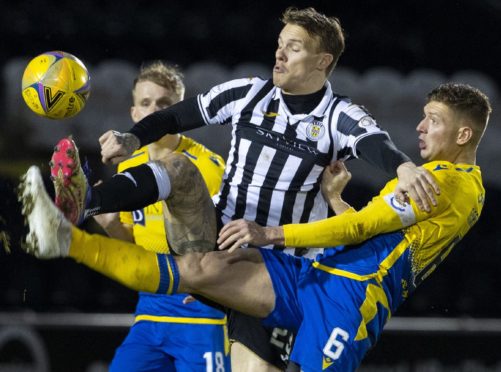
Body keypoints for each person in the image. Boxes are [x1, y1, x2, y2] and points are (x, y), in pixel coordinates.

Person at [44, 7, 440, 371]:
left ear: (323, 62)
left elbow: (374, 141)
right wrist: (132, 139)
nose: (280, 54)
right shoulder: (248, 93)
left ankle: (204, 284)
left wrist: (404, 166)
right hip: (213, 239)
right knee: (179, 168)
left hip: (275, 275)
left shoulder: (337, 115)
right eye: (280, 44)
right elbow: (174, 117)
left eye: (294, 47)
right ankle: (89, 201)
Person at [19, 82, 491, 371]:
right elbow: (367, 229)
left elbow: (357, 231)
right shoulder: (451, 183)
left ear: (464, 134)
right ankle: (68, 235)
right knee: (200, 266)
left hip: (351, 298)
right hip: (311, 273)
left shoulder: (445, 184)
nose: (422, 127)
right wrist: (335, 199)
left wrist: (271, 234)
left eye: (433, 120)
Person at [77, 61, 230, 371]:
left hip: (202, 312)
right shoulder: (127, 169)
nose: (154, 111)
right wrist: (110, 227)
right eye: (146, 103)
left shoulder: (208, 168)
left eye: (164, 105)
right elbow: (135, 243)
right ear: (134, 114)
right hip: (151, 309)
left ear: (180, 113)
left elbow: (229, 240)